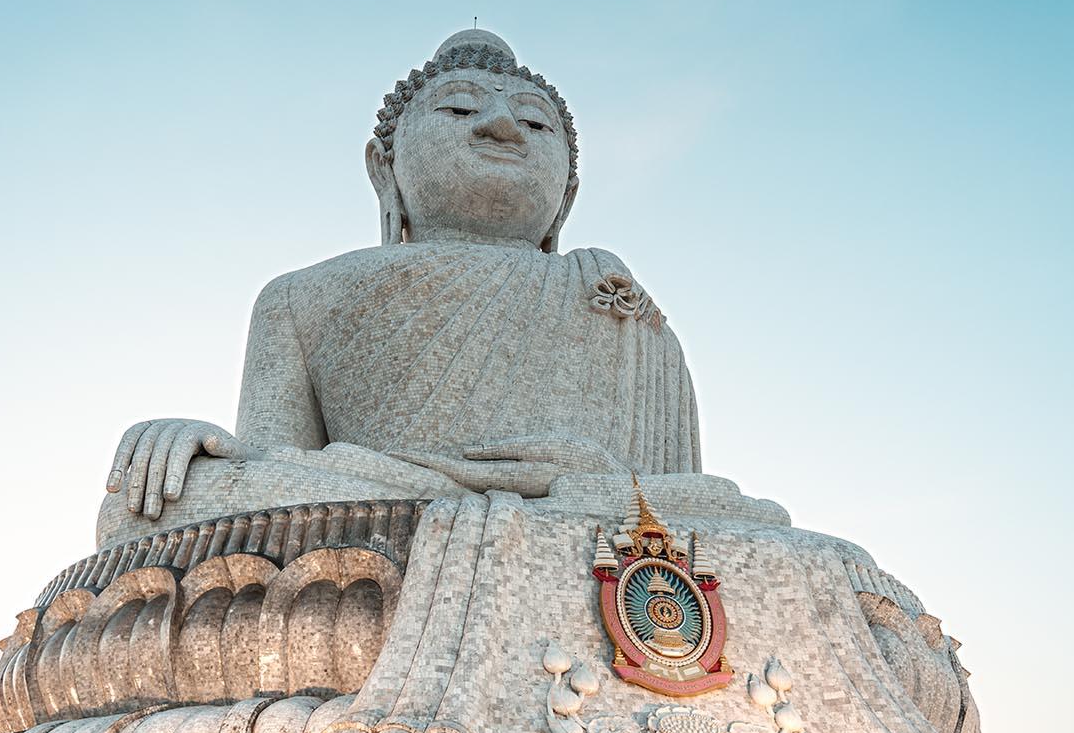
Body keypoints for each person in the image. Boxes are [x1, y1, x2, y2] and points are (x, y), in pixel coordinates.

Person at [103, 30, 700, 528]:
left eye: (535, 124)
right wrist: (193, 447)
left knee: (785, 547)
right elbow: (267, 466)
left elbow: (700, 512)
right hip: (371, 513)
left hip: (579, 524)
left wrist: (589, 481)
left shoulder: (611, 299)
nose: (500, 125)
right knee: (143, 511)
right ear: (383, 167)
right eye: (460, 109)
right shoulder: (296, 298)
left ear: (566, 195)